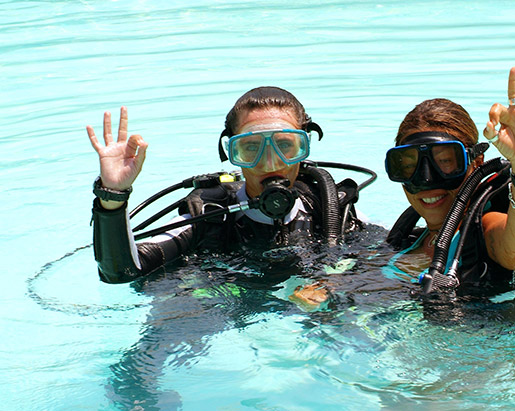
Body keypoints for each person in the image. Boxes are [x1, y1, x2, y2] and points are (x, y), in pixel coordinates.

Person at [88, 86, 364, 284]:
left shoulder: (330, 209)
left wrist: (333, 284)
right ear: (231, 153)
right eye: (251, 148)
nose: (270, 163)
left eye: (284, 146)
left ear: (304, 148)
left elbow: (382, 264)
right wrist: (112, 195)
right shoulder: (209, 216)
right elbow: (121, 273)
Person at [385, 68, 515, 293]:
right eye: (408, 166)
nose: (426, 179)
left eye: (445, 162)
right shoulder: (411, 236)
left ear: (476, 162)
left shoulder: (482, 229)